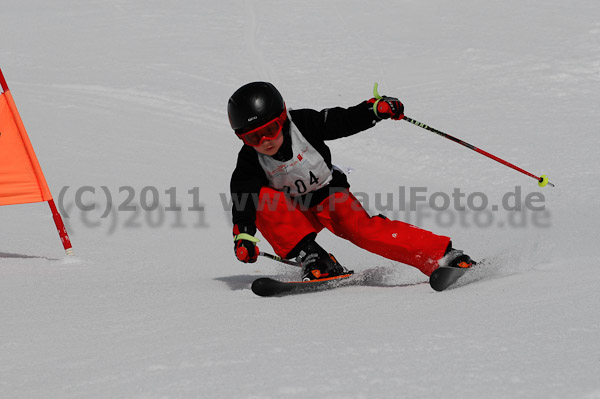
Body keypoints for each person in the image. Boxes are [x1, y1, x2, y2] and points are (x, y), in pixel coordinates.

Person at [227, 81, 474, 281]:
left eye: (270, 130)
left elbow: (341, 121)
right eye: (253, 138)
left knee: (363, 230)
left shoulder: (304, 124)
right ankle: (315, 259)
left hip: (328, 196)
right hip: (294, 213)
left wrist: (373, 110)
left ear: (283, 118)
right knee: (261, 200)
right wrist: (244, 236)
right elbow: (242, 200)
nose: (265, 141)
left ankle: (441, 256)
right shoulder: (250, 161)